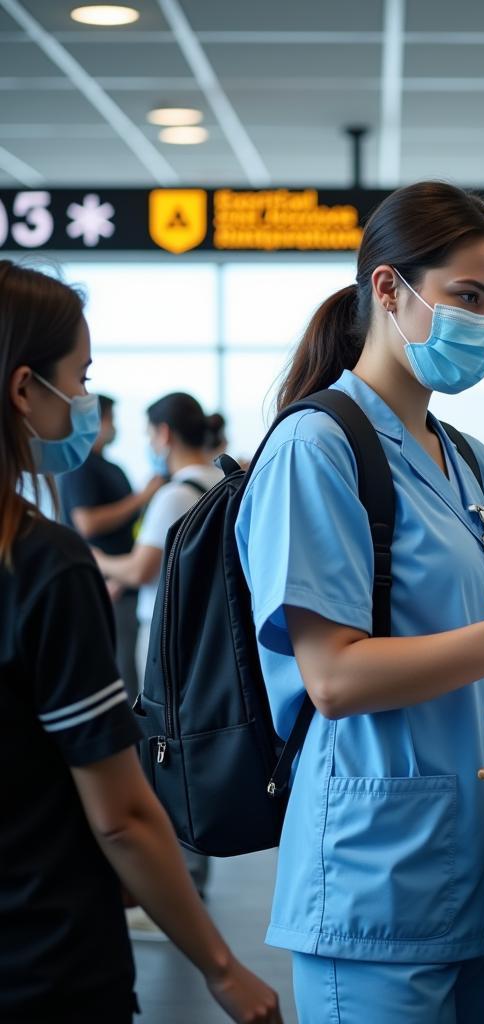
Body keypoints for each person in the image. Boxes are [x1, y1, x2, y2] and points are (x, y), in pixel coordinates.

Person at [235, 181, 484, 1024]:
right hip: (376, 880)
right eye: (466, 297)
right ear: (388, 289)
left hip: (474, 879)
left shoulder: (472, 463)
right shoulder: (318, 446)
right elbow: (334, 679)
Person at [0, 260, 281, 1023]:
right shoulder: (44, 566)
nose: (86, 402)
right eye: (80, 376)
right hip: (45, 956)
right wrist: (223, 970)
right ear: (25, 389)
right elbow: (119, 814)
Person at [94, 391, 222, 903]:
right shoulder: (220, 481)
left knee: (164, 755)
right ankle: (193, 876)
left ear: (164, 435)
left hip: (167, 642)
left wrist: (92, 559)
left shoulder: (174, 494)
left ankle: (173, 888)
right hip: (204, 641)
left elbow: (141, 569)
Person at [58, 394, 164, 700]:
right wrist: (142, 498)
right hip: (104, 591)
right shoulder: (80, 466)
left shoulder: (111, 467)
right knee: (123, 684)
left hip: (124, 583)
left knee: (132, 677)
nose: (114, 426)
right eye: (110, 420)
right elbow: (87, 523)